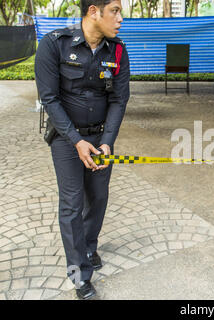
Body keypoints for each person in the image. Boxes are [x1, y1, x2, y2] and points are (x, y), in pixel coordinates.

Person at [34, 0, 130, 300]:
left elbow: (119, 100)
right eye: (115, 10)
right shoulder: (54, 45)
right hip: (66, 140)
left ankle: (88, 248)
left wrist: (106, 142)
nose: (120, 19)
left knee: (98, 198)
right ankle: (79, 273)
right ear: (94, 11)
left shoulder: (116, 51)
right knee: (72, 205)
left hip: (101, 140)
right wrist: (77, 141)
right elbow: (49, 99)